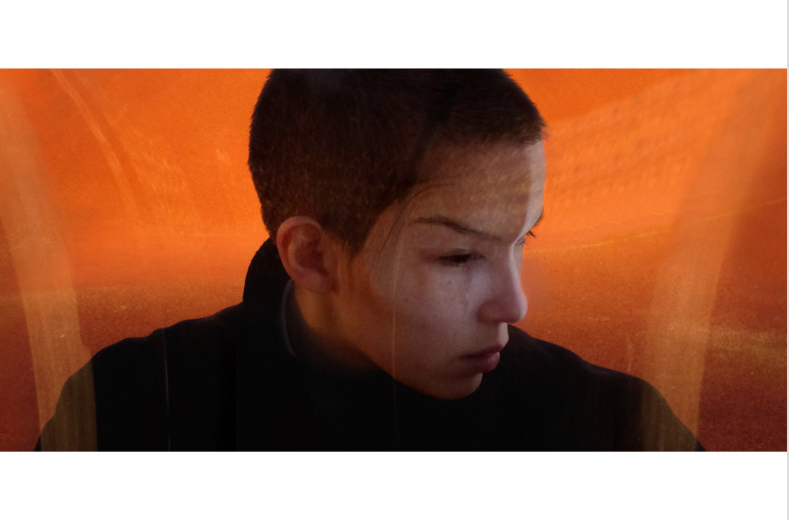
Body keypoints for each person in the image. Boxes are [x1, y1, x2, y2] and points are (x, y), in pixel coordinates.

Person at [37, 70, 703, 451]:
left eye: (522, 239)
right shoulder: (127, 413)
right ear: (313, 256)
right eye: (459, 256)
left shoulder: (614, 429)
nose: (515, 305)